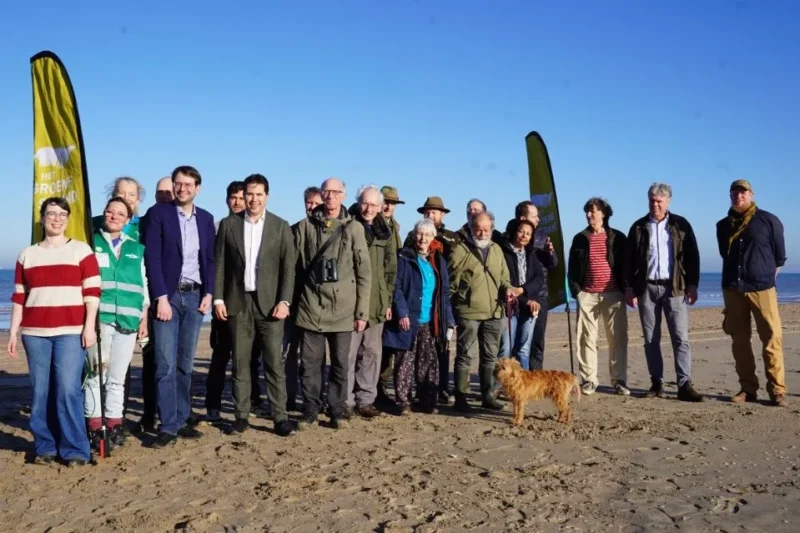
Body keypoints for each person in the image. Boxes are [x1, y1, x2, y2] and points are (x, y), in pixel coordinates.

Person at [7, 197, 100, 466]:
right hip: (34, 333)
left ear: (68, 218)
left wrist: (89, 326)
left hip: (71, 332)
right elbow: (19, 296)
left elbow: (92, 292)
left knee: (68, 389)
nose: (56, 218)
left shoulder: (81, 251)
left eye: (62, 214)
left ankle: (75, 450)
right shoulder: (27, 254)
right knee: (40, 391)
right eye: (51, 213)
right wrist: (13, 332)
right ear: (42, 217)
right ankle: (45, 447)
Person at [214, 174, 296, 436]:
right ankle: (240, 415)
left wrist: (284, 300)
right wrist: (218, 298)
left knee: (274, 362)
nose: (253, 199)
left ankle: (279, 417)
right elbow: (221, 265)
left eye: (259, 194)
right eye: (249, 193)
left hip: (271, 305)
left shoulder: (280, 226)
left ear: (267, 197)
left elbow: (288, 268)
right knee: (240, 363)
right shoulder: (229, 224)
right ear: (244, 195)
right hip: (238, 303)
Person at [144, 165, 216, 448]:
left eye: (188, 184)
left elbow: (209, 259)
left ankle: (183, 418)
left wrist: (209, 292)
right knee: (164, 363)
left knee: (185, 364)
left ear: (197, 188)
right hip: (169, 297)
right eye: (178, 184)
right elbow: (152, 258)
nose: (182, 188)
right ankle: (168, 424)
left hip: (195, 296)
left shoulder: (207, 219)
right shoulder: (158, 214)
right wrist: (160, 296)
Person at [293, 178, 371, 430]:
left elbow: (364, 273)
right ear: (321, 193)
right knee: (310, 364)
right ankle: (310, 409)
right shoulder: (305, 227)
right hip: (311, 307)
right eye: (327, 191)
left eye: (336, 192)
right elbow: (292, 267)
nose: (331, 196)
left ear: (344, 195)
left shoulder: (354, 228)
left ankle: (337, 409)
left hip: (344, 310)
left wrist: (361, 312)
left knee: (340, 364)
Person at [624, 183, 703, 402]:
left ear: (668, 201)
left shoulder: (680, 225)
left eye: (659, 201)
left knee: (680, 338)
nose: (655, 204)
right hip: (646, 288)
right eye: (652, 200)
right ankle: (656, 382)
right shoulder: (639, 227)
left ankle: (684, 384)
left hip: (675, 287)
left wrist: (693, 285)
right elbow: (628, 260)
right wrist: (629, 288)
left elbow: (692, 255)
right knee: (651, 339)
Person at [84, 197, 150, 450]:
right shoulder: (91, 243)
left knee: (117, 378)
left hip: (128, 319)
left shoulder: (136, 247)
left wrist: (144, 316)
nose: (114, 217)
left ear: (128, 219)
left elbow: (142, 284)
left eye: (120, 214)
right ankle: (94, 427)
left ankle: (114, 426)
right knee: (95, 375)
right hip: (100, 319)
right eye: (110, 212)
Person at [716, 179, 788, 407]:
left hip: (762, 289)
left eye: (743, 192)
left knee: (771, 338)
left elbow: (779, 257)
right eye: (735, 193)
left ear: (751, 195)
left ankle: (777, 390)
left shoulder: (768, 220)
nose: (739, 196)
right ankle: (748, 389)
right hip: (734, 289)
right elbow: (725, 254)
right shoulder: (723, 225)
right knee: (740, 342)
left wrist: (764, 276)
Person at [205, 181, 265, 423]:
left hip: (251, 305)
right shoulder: (220, 227)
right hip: (225, 304)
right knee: (220, 356)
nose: (239, 202)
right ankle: (212, 404)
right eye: (234, 198)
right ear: (227, 200)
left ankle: (253, 400)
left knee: (251, 357)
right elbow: (214, 266)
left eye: (243, 197)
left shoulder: (260, 228)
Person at [384, 219, 455, 414]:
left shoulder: (438, 260)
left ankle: (428, 402)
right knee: (404, 362)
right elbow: (396, 287)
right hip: (408, 318)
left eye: (427, 235)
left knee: (428, 363)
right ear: (414, 235)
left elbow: (444, 293)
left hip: (430, 320)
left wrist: (448, 320)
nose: (423, 238)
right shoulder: (404, 257)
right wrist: (402, 312)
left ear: (433, 237)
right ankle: (403, 402)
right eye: (419, 233)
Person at [449, 211, 514, 413]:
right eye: (478, 228)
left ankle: (487, 395)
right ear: (470, 227)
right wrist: (451, 310)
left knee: (490, 356)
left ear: (492, 229)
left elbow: (504, 278)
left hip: (495, 311)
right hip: (468, 311)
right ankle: (461, 397)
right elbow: (451, 283)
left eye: (486, 229)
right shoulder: (460, 250)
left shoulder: (496, 250)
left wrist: (508, 290)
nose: (482, 232)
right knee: (465, 355)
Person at [344, 185, 397, 419]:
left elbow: (390, 269)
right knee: (347, 354)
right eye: (365, 203)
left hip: (376, 302)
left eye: (374, 205)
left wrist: (387, 302)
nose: (369, 209)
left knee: (371, 353)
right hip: (350, 302)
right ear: (358, 202)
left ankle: (366, 399)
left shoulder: (386, 231)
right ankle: (344, 401)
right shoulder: (347, 225)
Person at [567, 197, 629, 396]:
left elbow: (628, 265)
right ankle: (589, 380)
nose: (589, 214)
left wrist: (627, 288)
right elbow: (572, 267)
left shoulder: (618, 237)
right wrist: (577, 291)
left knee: (617, 338)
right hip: (587, 295)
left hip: (614, 294)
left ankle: (619, 380)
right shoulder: (579, 238)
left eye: (593, 211)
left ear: (604, 213)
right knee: (586, 338)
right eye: (587, 211)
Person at [402, 196, 458, 404]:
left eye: (434, 212)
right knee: (415, 353)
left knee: (440, 350)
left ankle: (441, 387)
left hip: (443, 298)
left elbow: (454, 266)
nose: (430, 215)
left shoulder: (452, 238)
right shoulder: (411, 237)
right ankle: (416, 392)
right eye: (427, 212)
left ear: (442, 214)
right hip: (420, 301)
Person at [134, 176, 174, 434]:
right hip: (149, 303)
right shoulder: (146, 221)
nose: (165, 196)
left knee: (172, 362)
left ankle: (174, 413)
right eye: (160, 192)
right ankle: (149, 414)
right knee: (152, 363)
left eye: (169, 192)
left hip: (177, 302)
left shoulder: (185, 221)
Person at [284, 185, 325, 412]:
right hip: (292, 301)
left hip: (315, 305)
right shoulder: (293, 230)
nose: (312, 206)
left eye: (316, 202)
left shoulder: (330, 233)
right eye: (308, 202)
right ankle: (289, 395)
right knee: (289, 353)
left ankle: (314, 398)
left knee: (314, 356)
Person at [503, 201, 558, 370]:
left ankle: (534, 377)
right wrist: (518, 292)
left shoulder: (541, 236)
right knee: (509, 345)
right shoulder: (506, 240)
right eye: (534, 216)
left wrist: (551, 253)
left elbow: (551, 265)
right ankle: (510, 380)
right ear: (522, 218)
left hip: (537, 294)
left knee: (536, 342)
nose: (538, 219)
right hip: (512, 299)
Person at [498, 219, 544, 370]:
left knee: (524, 350)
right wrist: (522, 297)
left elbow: (539, 279)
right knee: (506, 348)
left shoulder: (532, 254)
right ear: (514, 232)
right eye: (521, 231)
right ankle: (501, 384)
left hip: (530, 307)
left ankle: (523, 386)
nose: (524, 235)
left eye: (528, 233)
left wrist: (523, 290)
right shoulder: (503, 252)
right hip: (509, 306)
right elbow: (505, 282)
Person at [376, 185, 404, 405]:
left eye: (392, 203)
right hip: (375, 291)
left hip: (391, 290)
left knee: (387, 346)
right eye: (385, 202)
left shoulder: (395, 227)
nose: (388, 206)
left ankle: (381, 388)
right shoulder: (370, 225)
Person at [91, 176, 146, 240]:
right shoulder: (94, 223)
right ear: (113, 196)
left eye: (131, 194)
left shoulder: (143, 226)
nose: (126, 198)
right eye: (121, 193)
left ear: (137, 200)